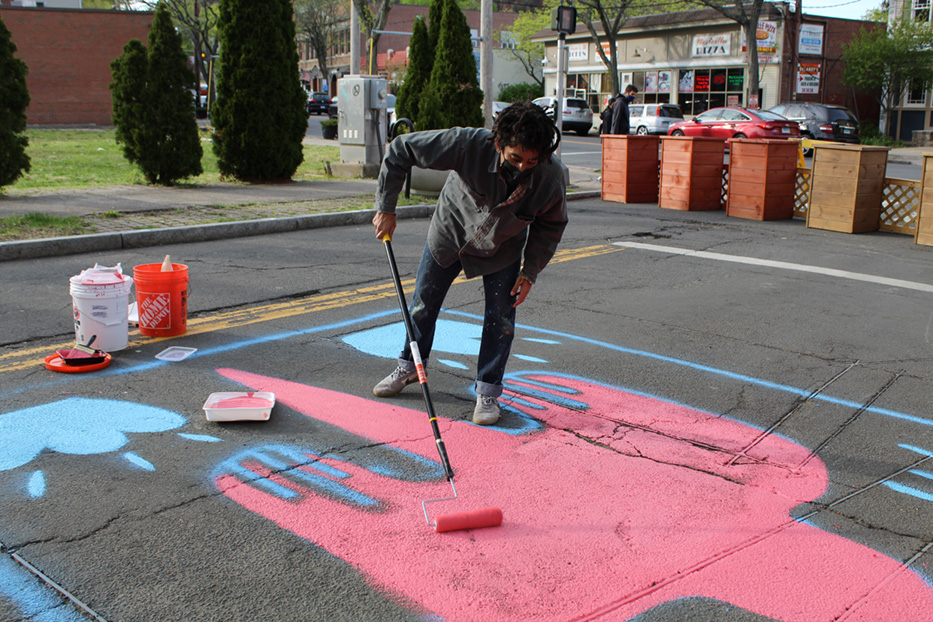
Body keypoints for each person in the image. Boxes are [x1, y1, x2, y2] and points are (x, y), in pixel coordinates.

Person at [371, 101, 568, 425]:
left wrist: (530, 271)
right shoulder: (468, 144)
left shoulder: (550, 176)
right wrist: (387, 208)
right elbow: (400, 149)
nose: (522, 167)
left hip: (503, 247)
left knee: (500, 318)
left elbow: (551, 225)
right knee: (423, 305)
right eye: (515, 158)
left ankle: (488, 391)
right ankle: (408, 368)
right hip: (450, 235)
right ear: (498, 143)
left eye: (532, 161)